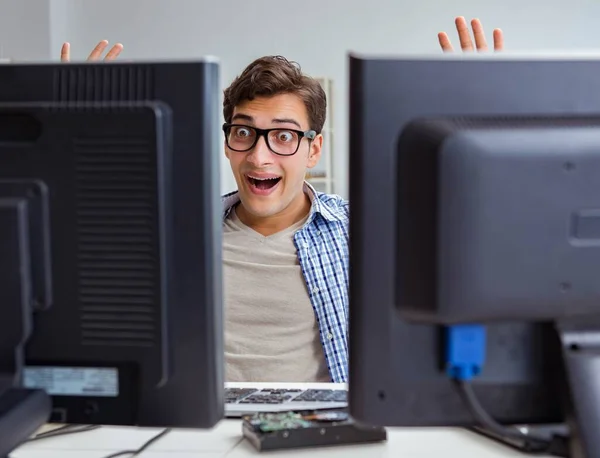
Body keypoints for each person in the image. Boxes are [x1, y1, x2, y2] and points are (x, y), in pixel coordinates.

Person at [221, 56, 349, 383]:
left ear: (313, 150)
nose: (258, 157)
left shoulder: (359, 231)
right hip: (202, 429)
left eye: (283, 136)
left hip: (319, 427)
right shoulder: (177, 232)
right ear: (227, 143)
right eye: (244, 131)